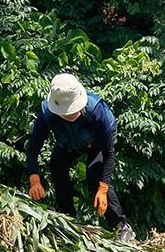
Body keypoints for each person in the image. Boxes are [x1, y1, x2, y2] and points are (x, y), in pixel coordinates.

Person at [25, 73, 135, 241]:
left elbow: (109, 154)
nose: (70, 115)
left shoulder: (97, 112)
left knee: (94, 177)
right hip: (68, 142)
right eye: (65, 113)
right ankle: (67, 215)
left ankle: (122, 226)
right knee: (57, 166)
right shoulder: (47, 114)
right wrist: (34, 180)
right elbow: (33, 149)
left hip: (97, 141)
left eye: (73, 111)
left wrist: (103, 188)